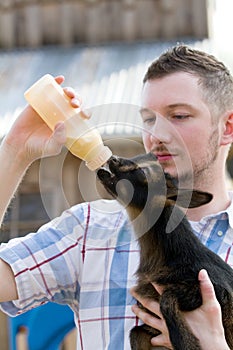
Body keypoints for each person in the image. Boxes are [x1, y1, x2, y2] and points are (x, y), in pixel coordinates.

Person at [0, 45, 232, 349]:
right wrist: (15, 150)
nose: (157, 135)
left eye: (178, 115)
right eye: (149, 119)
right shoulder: (89, 231)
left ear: (227, 127)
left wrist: (214, 344)